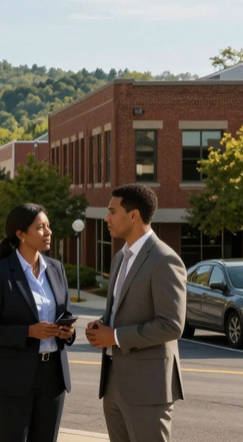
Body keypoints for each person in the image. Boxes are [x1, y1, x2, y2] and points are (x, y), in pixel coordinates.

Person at [86, 184, 186, 442]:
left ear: (134, 216)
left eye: (112, 211)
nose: (106, 218)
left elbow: (172, 325)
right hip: (113, 385)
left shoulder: (164, 259)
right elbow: (123, 312)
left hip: (148, 390)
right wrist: (102, 328)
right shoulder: (120, 258)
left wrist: (116, 337)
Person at [0, 204, 76, 442]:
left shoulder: (56, 269)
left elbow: (66, 313)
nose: (48, 232)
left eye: (48, 226)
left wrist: (66, 332)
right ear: (20, 234)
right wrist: (29, 332)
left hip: (53, 378)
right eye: (40, 227)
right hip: (12, 379)